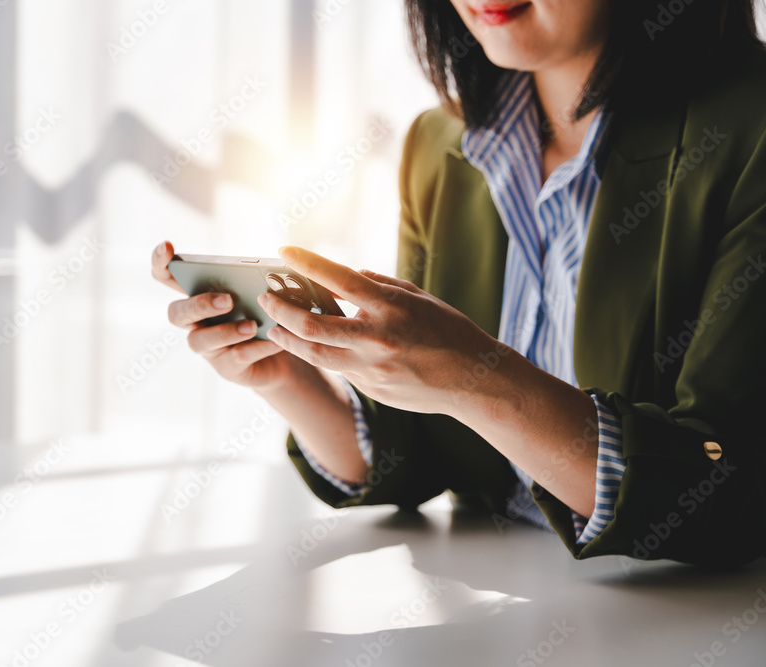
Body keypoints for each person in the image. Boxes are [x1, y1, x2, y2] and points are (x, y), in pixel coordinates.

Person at [151, 0, 766, 567]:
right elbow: (426, 451)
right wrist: (291, 375)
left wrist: (480, 376)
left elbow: (724, 489)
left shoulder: (747, 132)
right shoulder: (439, 142)